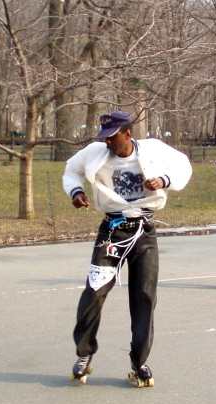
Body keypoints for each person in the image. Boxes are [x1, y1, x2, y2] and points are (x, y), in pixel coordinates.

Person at [62, 110, 192, 387]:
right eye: (104, 138)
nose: (107, 143)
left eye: (112, 138)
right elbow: (70, 170)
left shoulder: (154, 149)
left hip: (144, 230)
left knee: (144, 296)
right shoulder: (95, 152)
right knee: (94, 292)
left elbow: (183, 166)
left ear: (128, 134)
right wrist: (76, 192)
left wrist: (163, 181)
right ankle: (84, 354)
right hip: (111, 230)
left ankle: (139, 361)